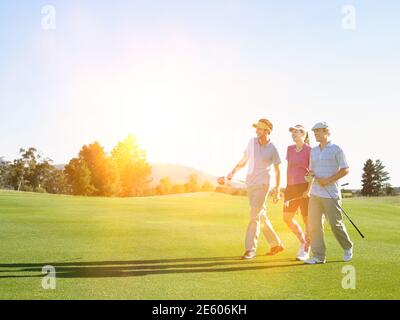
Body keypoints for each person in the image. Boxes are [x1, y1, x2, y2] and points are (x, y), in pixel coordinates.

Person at [227, 118, 284, 259]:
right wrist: (233, 171)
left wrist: (277, 190)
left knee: (254, 216)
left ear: (267, 131)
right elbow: (244, 159)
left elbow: (277, 171)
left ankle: (250, 249)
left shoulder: (273, 149)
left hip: (263, 184)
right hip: (250, 183)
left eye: (259, 128)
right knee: (260, 215)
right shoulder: (252, 142)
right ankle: (276, 244)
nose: (256, 130)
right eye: (256, 128)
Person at [304, 122, 354, 264]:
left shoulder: (336, 149)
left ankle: (347, 247)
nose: (315, 134)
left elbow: (345, 169)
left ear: (326, 131)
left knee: (335, 224)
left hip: (331, 193)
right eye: (314, 132)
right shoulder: (313, 151)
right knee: (314, 225)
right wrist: (309, 176)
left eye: (318, 131)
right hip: (315, 193)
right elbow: (311, 171)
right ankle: (319, 256)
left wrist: (328, 180)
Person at [283, 125, 312, 261]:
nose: (293, 134)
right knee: (286, 217)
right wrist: (287, 187)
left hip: (305, 187)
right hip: (291, 187)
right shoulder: (290, 149)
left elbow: (312, 171)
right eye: (292, 132)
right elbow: (288, 169)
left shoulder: (310, 150)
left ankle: (306, 249)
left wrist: (309, 189)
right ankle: (302, 240)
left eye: (296, 132)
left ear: (303, 134)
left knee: (307, 220)